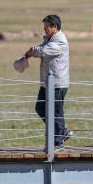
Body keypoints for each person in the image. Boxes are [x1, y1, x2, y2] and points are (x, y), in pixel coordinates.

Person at [23, 14, 73, 149]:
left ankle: (58, 143)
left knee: (56, 112)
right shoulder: (49, 39)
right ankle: (62, 132)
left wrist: (32, 51)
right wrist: (32, 52)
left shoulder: (60, 41)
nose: (44, 30)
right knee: (40, 108)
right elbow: (42, 48)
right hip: (46, 83)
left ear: (54, 27)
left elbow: (44, 51)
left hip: (57, 84)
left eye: (46, 28)